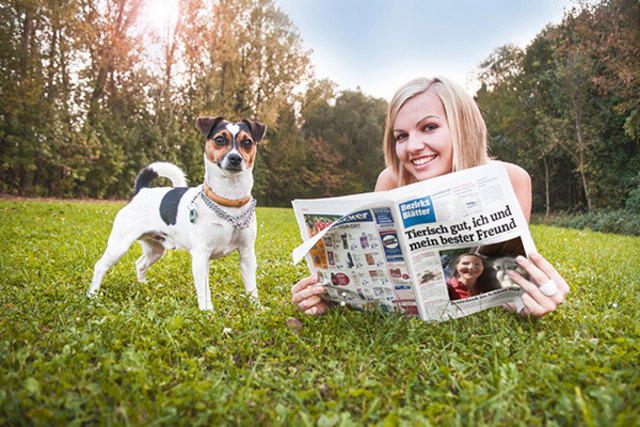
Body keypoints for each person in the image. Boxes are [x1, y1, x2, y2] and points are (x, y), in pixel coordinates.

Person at [291, 76, 569, 318]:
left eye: (429, 127)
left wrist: (536, 296)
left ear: (463, 127)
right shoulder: (390, 180)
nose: (412, 147)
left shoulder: (511, 179)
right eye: (401, 136)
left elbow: (509, 277)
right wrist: (327, 296)